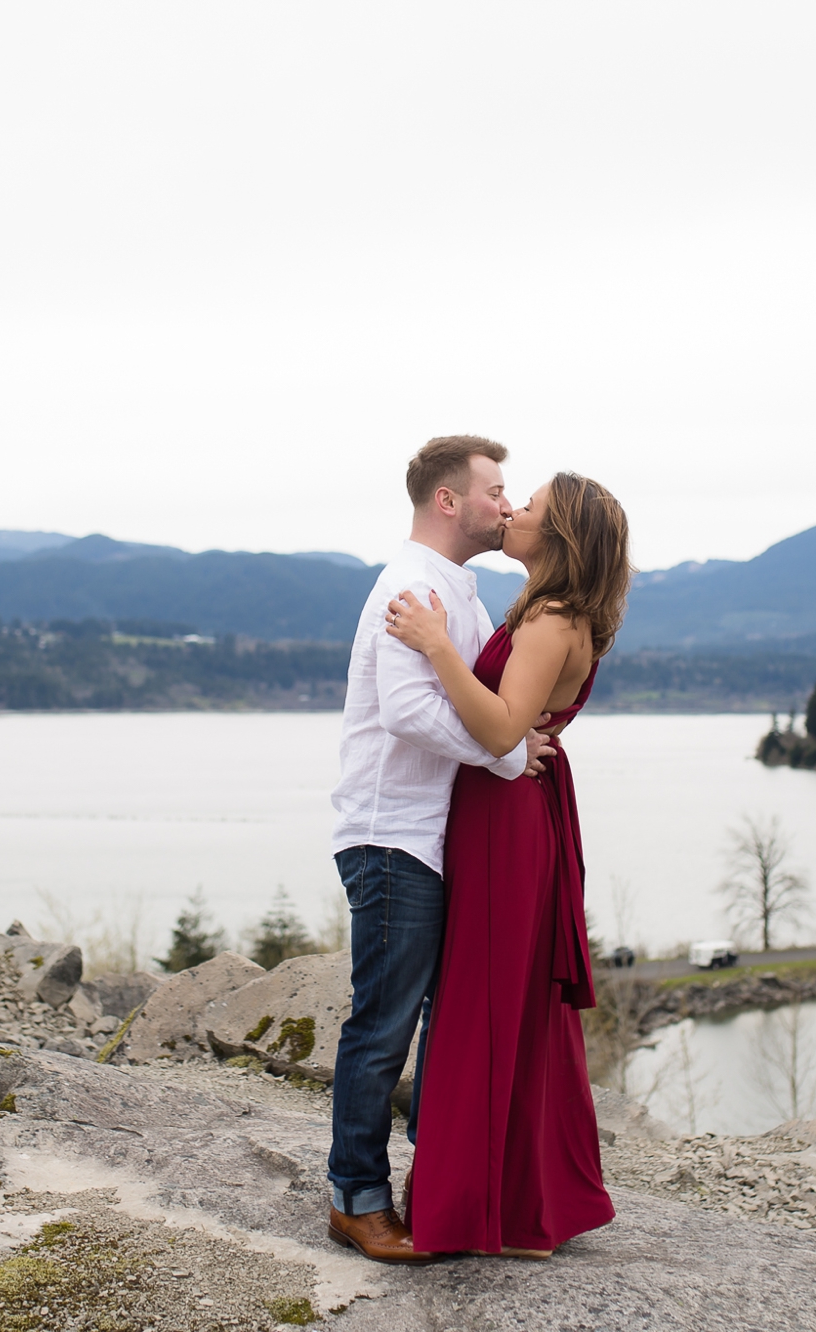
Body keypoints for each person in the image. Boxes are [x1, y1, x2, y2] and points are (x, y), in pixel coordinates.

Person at [382, 470, 630, 1259]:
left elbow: (498, 730)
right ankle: (522, 1209)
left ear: (558, 536)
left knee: (482, 1004)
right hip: (514, 812)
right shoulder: (550, 610)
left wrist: (435, 646)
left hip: (505, 820)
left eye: (531, 507)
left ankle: (480, 1212)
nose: (514, 511)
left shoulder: (553, 619)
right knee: (511, 1008)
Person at [326, 435, 554, 1265]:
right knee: (384, 1024)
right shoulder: (411, 585)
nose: (507, 503)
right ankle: (356, 1200)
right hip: (392, 835)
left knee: (441, 1020)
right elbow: (408, 712)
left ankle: (444, 1191)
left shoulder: (461, 592)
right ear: (449, 501)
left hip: (432, 837)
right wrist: (507, 754)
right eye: (496, 490)